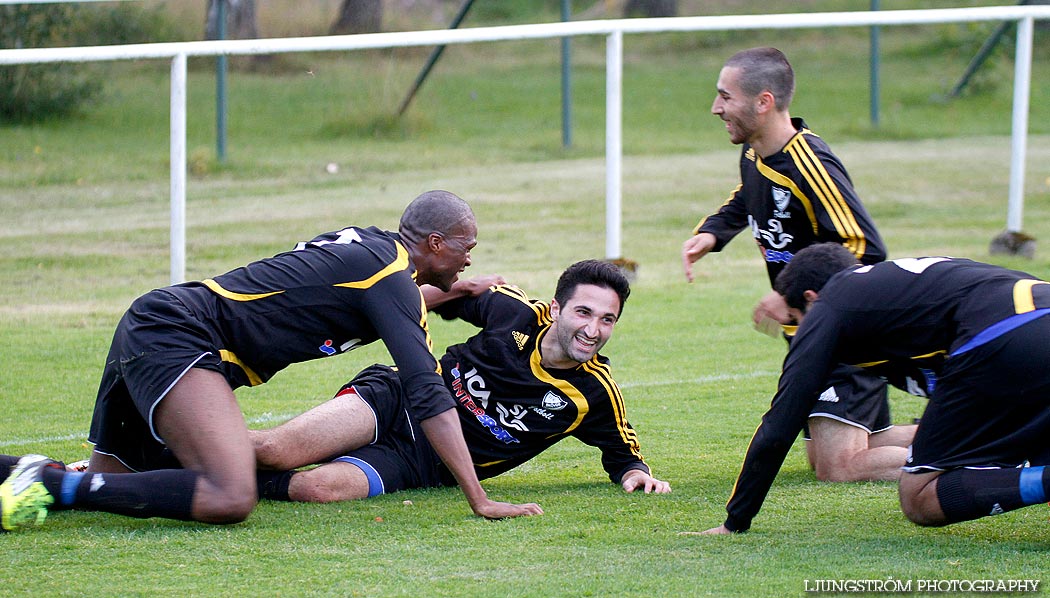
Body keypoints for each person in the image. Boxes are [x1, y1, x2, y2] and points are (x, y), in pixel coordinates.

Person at [0, 189, 541, 533]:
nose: (472, 255)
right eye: (467, 246)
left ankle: (30, 477)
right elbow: (428, 393)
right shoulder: (388, 278)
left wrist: (447, 291)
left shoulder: (379, 258)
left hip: (158, 321)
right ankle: (54, 485)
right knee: (228, 495)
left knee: (122, 481)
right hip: (179, 337)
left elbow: (371, 302)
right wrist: (480, 499)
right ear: (436, 242)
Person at [250, 260, 670, 504]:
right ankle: (190, 450)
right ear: (557, 307)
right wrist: (457, 289)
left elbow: (624, 453)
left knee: (316, 488)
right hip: (402, 399)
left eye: (607, 319)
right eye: (583, 313)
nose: (593, 330)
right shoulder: (515, 311)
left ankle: (223, 479)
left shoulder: (594, 393)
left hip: (422, 464)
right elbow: (434, 298)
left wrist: (634, 474)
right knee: (274, 450)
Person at [680, 46, 913, 483]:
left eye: (725, 97)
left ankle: (979, 451)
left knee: (838, 467)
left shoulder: (812, 163)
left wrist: (789, 288)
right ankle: (964, 435)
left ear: (763, 102)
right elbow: (747, 195)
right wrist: (712, 232)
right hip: (814, 331)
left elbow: (864, 246)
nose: (716, 108)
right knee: (841, 453)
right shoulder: (755, 154)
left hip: (849, 331)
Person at [702, 243, 1050, 534]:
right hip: (1034, 309)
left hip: (1000, 337)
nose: (799, 332)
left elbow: (779, 426)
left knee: (919, 496)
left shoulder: (830, 307)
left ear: (811, 298)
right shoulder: (900, 291)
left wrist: (736, 519)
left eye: (796, 318)